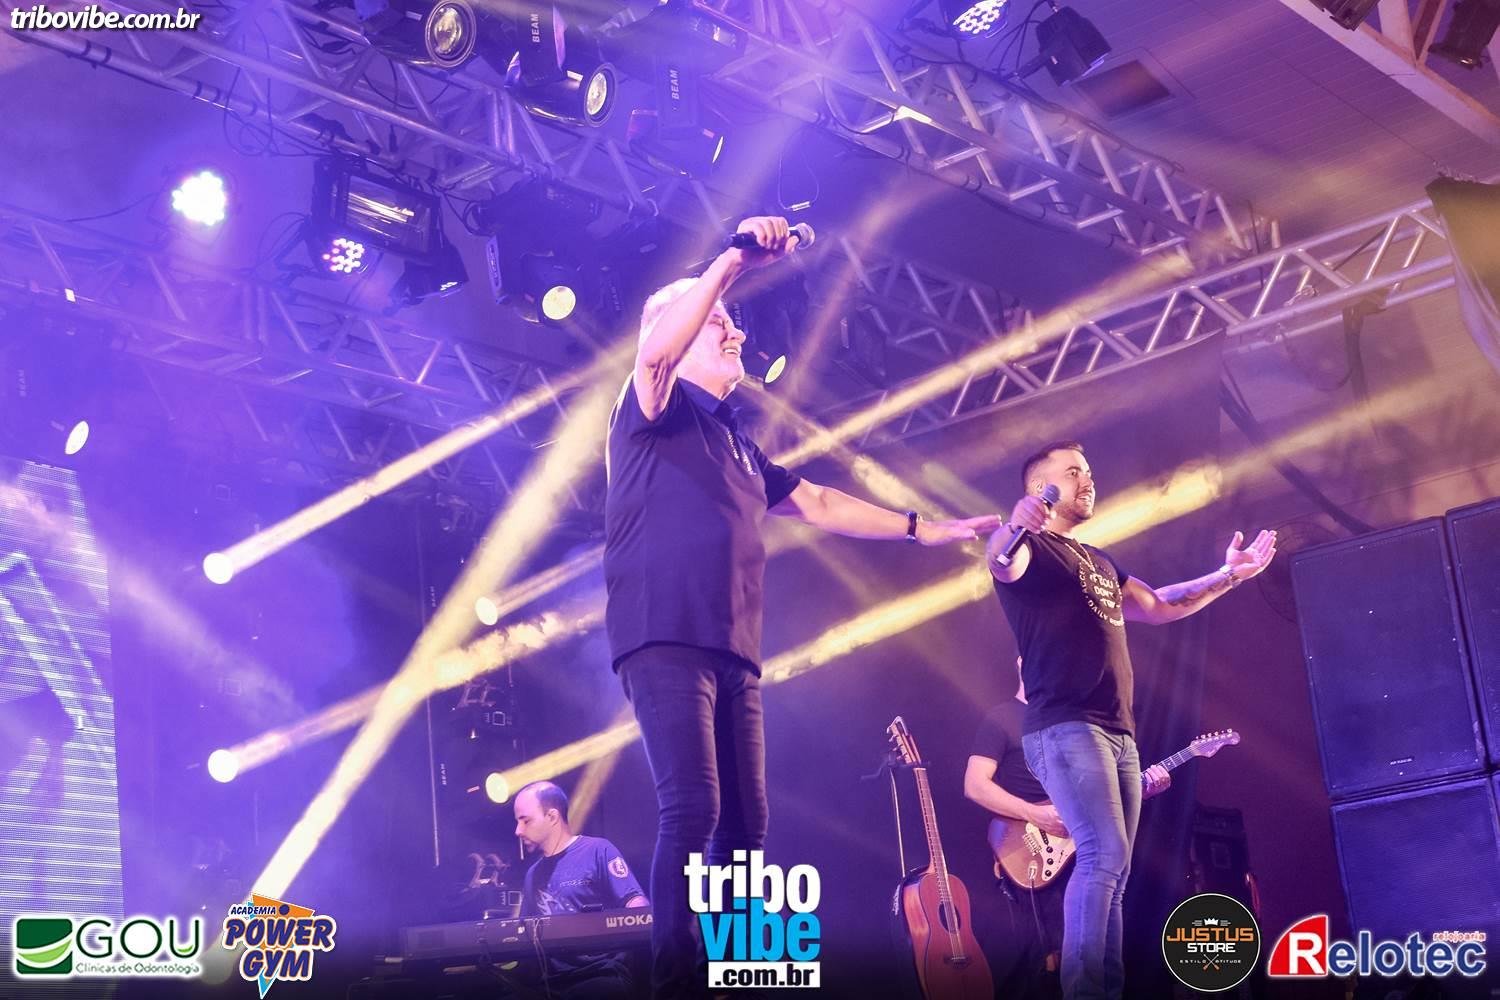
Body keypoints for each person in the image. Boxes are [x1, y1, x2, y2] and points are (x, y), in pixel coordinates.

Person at [604, 215, 1001, 999]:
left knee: (746, 826)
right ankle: (674, 984)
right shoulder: (650, 409)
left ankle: (731, 973)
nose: (736, 333)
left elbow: (817, 500)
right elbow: (655, 352)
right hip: (663, 634)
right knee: (693, 806)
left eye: (731, 322)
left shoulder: (737, 445)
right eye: (718, 324)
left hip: (733, 647)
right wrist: (733, 262)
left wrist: (921, 528)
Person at [985, 441, 1276, 1000]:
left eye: (1089, 471)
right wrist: (1015, 527)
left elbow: (1160, 605)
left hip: (1118, 732)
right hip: (1065, 724)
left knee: (1113, 873)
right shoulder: (1031, 549)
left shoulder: (1098, 561)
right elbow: (1000, 559)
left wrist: (1229, 576)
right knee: (1103, 855)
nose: (1087, 480)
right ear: (1040, 489)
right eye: (1074, 472)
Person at [963, 664, 1171, 999]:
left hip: (1080, 850)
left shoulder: (1073, 726)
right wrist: (1034, 813)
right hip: (1030, 849)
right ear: (1022, 663)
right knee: (1047, 959)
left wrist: (1140, 790)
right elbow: (974, 785)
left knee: (1096, 946)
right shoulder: (1002, 717)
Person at [514, 781, 648, 1000]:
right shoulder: (533, 875)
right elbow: (522, 936)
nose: (518, 830)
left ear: (552, 817)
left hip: (602, 974)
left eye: (525, 820)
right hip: (551, 984)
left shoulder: (598, 850)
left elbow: (637, 906)